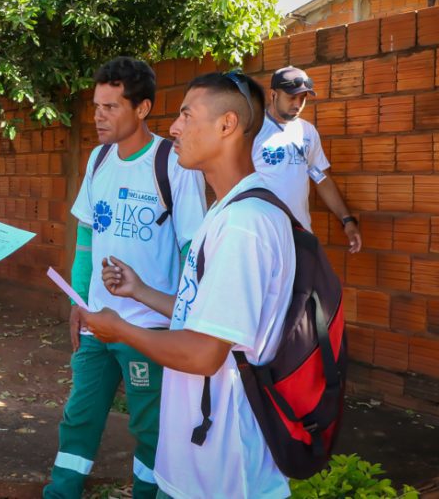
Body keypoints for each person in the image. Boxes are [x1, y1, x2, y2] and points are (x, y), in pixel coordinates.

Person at [84, 72, 296, 498]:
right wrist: (140, 291)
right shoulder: (226, 209)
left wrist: (121, 329)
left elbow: (204, 354)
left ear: (226, 125)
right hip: (202, 456)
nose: (174, 128)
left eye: (186, 114)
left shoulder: (243, 225)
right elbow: (202, 316)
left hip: (226, 469)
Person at [44, 57, 206, 498]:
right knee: (79, 416)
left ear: (143, 108)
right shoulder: (98, 159)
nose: (98, 116)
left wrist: (187, 318)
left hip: (148, 329)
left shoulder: (172, 163)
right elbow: (85, 238)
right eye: (96, 106)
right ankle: (61, 492)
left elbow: (193, 248)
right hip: (97, 324)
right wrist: (79, 304)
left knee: (150, 429)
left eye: (111, 107)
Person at [253, 66, 362, 252]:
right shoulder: (253, 130)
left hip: (299, 235)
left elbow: (321, 178)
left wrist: (347, 220)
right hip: (261, 236)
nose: (298, 104)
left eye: (303, 98)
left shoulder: (307, 131)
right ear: (273, 95)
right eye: (292, 97)